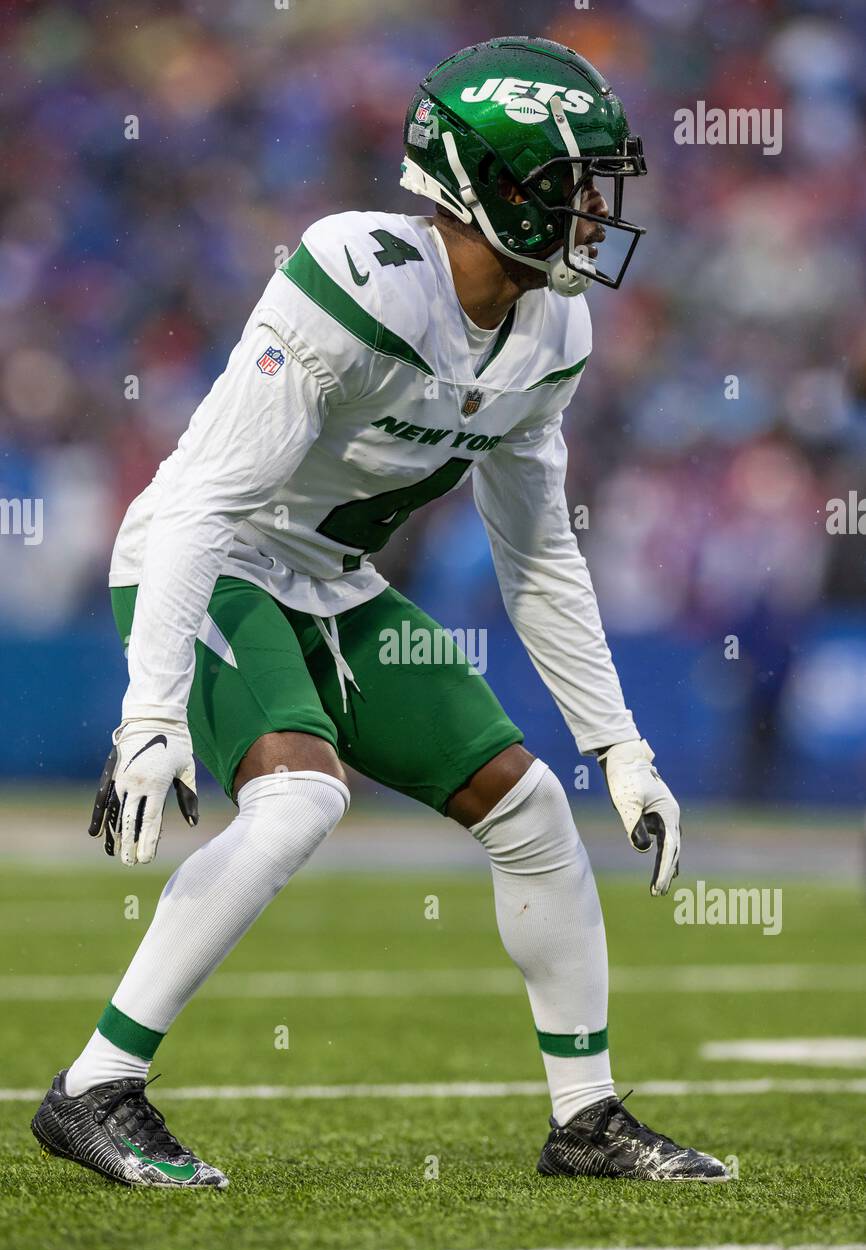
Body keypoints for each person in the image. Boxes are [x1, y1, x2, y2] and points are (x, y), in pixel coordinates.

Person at [32, 36, 726, 1187]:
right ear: (484, 184)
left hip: (335, 583)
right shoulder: (356, 273)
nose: (594, 209)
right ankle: (97, 1084)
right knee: (301, 796)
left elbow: (539, 552)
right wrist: (149, 712)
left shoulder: (554, 328)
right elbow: (203, 500)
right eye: (569, 183)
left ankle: (585, 1116)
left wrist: (620, 744)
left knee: (536, 811)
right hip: (211, 559)